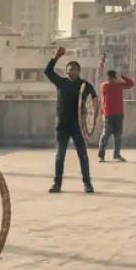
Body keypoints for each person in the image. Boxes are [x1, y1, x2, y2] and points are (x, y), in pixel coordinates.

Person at [45, 47, 96, 193]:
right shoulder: (61, 83)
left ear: (78, 71)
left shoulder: (84, 85)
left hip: (78, 125)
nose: (70, 72)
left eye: (73, 70)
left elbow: (94, 97)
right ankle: (57, 184)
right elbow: (48, 72)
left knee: (83, 156)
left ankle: (87, 184)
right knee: (60, 155)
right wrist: (56, 56)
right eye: (68, 70)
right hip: (62, 125)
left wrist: (93, 112)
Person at [98, 68, 135, 162]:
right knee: (106, 135)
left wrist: (120, 77)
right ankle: (103, 155)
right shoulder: (107, 86)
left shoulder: (114, 85)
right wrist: (121, 77)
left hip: (117, 114)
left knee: (117, 136)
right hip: (109, 114)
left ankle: (116, 154)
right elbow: (130, 84)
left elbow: (131, 84)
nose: (110, 80)